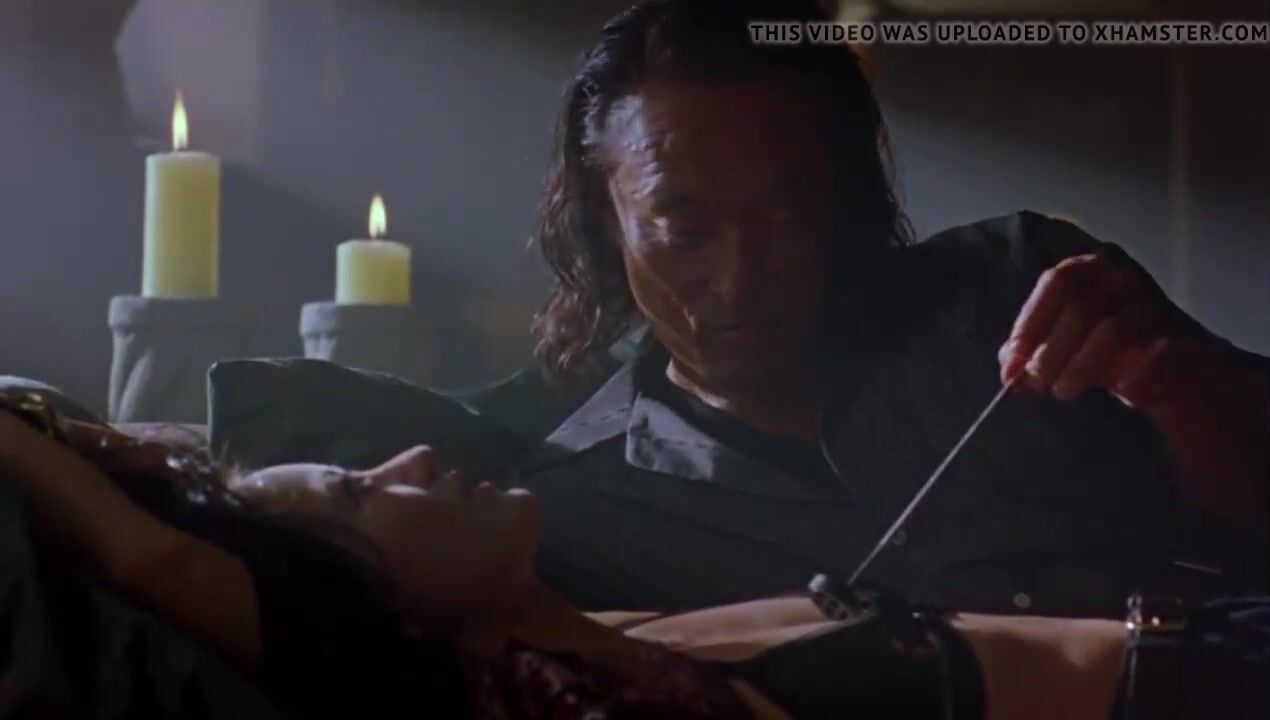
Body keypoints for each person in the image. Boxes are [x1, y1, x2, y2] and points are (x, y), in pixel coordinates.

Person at [512, 0, 1270, 614]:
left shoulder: (1015, 286)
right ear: (604, 219)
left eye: (787, 215)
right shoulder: (583, 516)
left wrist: (1183, 391)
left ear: (845, 189)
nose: (739, 281)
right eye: (683, 231)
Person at [17, 388, 1256, 720]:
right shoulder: (508, 696)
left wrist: (95, 435)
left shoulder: (611, 640)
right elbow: (142, 561)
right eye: (357, 490)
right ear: (358, 606)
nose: (409, 456)